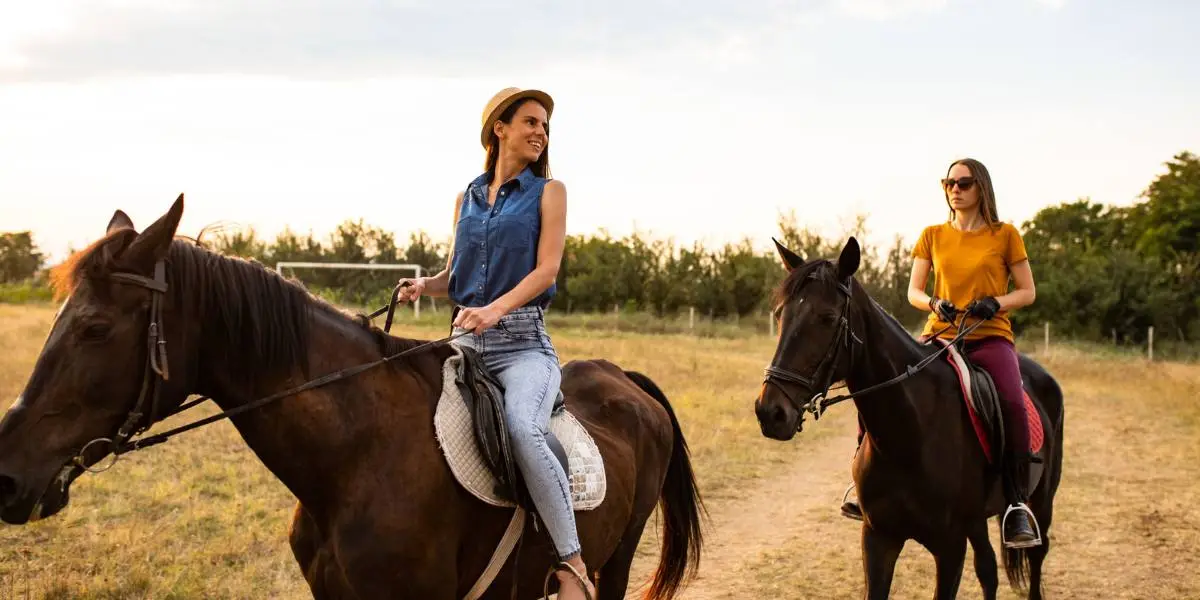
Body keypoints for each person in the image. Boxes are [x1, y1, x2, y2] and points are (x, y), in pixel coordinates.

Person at [396, 87, 594, 598]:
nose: (540, 132)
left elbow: (547, 270)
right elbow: (455, 274)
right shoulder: (466, 196)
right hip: (464, 343)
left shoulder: (549, 192)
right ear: (499, 129)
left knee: (524, 429)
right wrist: (424, 285)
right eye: (530, 121)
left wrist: (495, 309)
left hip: (523, 346)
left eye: (545, 126)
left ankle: (572, 567)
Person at [840, 157, 1041, 549]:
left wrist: (996, 303)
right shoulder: (932, 235)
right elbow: (913, 291)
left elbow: (1028, 291)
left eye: (963, 183)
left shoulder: (1005, 235)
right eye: (948, 183)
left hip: (989, 337)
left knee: (1012, 401)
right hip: (940, 335)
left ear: (981, 187)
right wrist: (933, 303)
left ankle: (1016, 502)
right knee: (880, 388)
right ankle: (863, 483)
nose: (955, 190)